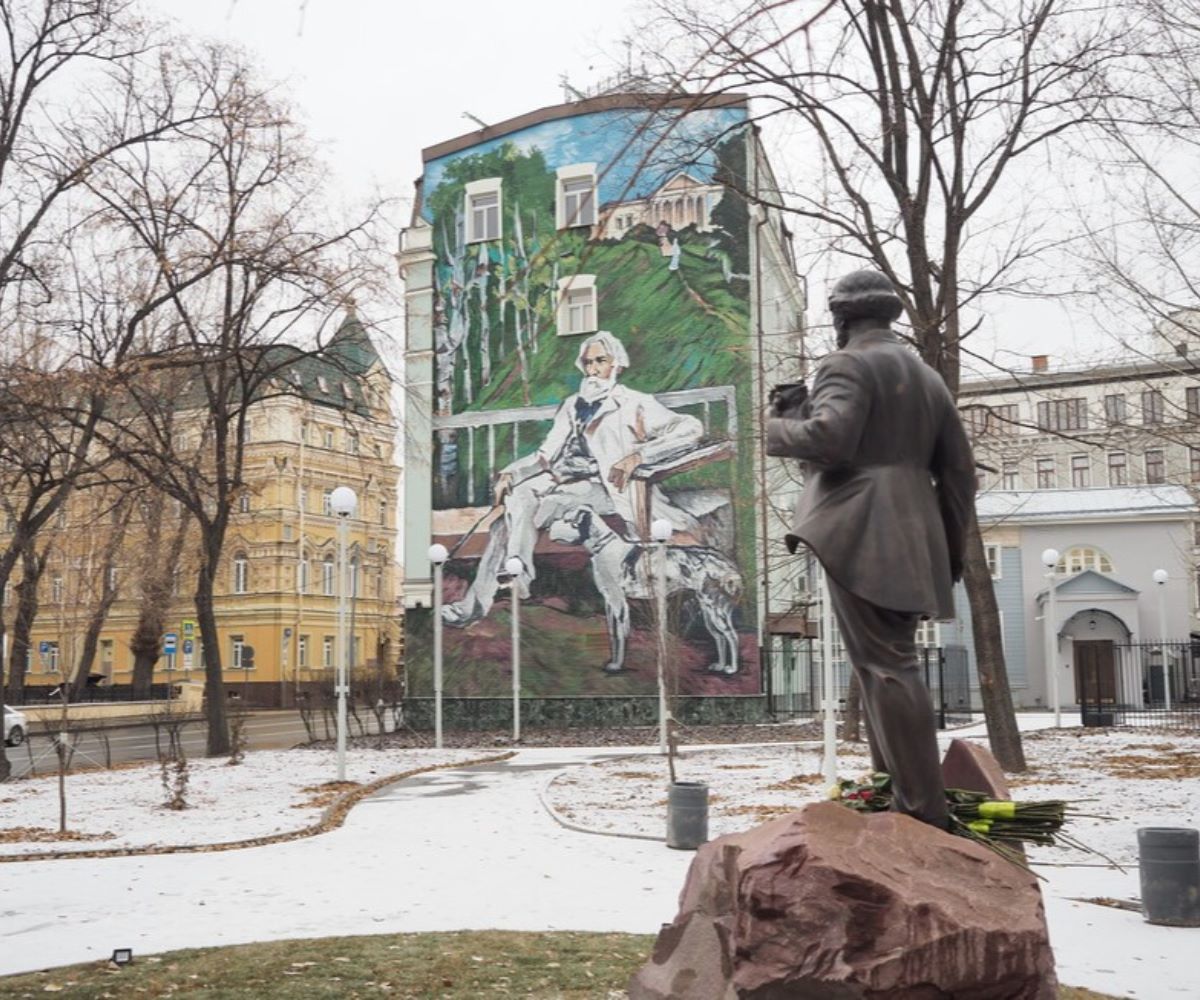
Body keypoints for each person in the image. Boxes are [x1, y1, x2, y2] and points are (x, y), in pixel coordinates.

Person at [766, 269, 976, 829]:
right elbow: (959, 475)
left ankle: (921, 811)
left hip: (864, 527)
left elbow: (830, 443)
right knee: (879, 664)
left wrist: (777, 426)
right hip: (916, 531)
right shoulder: (928, 378)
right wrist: (950, 551)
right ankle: (896, 790)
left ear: (841, 316)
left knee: (885, 666)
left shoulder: (847, 364)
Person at [443, 330, 703, 627]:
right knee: (509, 514)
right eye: (588, 362)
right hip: (567, 484)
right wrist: (512, 473)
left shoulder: (635, 404)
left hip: (609, 489)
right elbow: (545, 455)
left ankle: (499, 588)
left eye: (600, 361)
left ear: (616, 364)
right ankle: (503, 587)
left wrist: (638, 457)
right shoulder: (572, 405)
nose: (593, 370)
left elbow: (691, 428)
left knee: (517, 514)